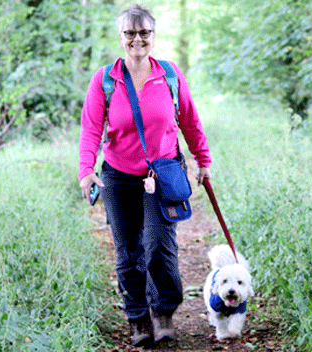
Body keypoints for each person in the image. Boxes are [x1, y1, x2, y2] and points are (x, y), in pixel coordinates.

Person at [77, 4, 212, 347]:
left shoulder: (168, 74)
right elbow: (91, 130)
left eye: (144, 33)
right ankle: (138, 319)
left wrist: (203, 160)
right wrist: (86, 171)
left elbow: (190, 121)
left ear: (153, 36)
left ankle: (163, 311)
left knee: (158, 247)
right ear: (120, 37)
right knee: (128, 253)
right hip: (118, 177)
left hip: (163, 174)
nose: (137, 39)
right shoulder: (106, 79)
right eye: (130, 33)